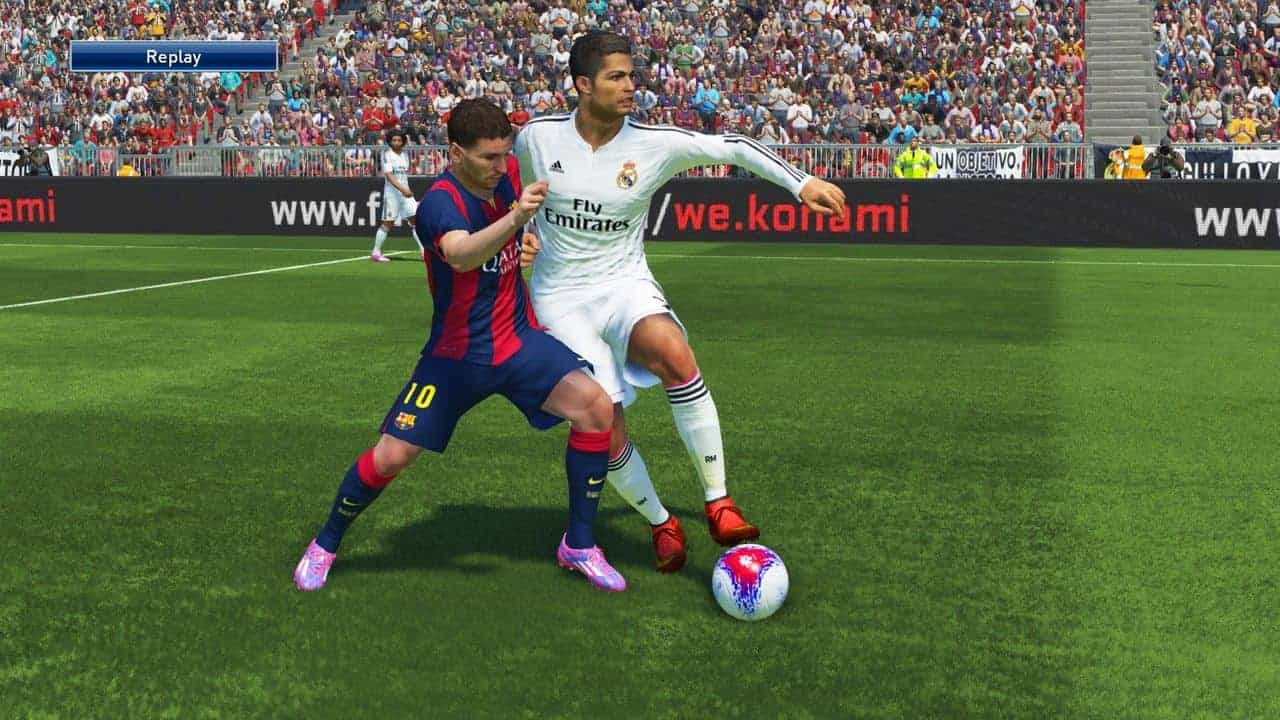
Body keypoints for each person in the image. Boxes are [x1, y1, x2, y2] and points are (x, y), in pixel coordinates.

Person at [514, 32, 846, 573]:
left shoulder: (654, 144)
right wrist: (521, 234)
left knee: (674, 352)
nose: (630, 86)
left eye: (632, 75)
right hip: (559, 298)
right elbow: (519, 194)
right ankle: (661, 521)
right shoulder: (537, 137)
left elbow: (733, 146)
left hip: (623, 283)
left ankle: (719, 502)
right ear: (582, 85)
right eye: (616, 77)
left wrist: (800, 182)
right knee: (602, 421)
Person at [295, 99, 625, 593]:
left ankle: (578, 544)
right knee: (390, 457)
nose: (501, 166)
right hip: (456, 357)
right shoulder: (439, 204)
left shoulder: (506, 177)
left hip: (517, 342)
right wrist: (515, 221)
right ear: (455, 153)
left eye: (504, 154)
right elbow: (460, 254)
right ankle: (326, 542)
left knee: (596, 408)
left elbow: (516, 231)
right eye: (488, 157)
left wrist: (526, 240)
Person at [371, 130, 422, 262]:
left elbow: (404, 174)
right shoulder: (387, 155)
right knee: (388, 224)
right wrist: (402, 189)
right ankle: (376, 252)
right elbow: (389, 175)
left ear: (403, 142)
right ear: (390, 141)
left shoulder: (405, 155)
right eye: (394, 140)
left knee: (415, 221)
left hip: (406, 194)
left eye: (399, 140)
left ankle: (423, 252)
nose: (396, 142)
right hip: (392, 195)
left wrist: (406, 190)